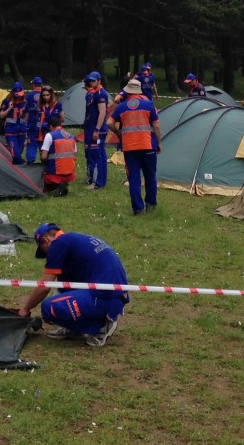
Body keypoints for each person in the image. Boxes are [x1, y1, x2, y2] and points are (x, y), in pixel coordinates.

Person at [16, 223, 128, 346]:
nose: (48, 256)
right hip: (116, 295)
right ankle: (73, 329)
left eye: (45, 252)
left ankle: (101, 327)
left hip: (105, 297)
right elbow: (64, 285)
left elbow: (44, 286)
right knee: (60, 296)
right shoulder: (73, 240)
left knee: (49, 308)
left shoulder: (58, 244)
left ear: (45, 240)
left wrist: (25, 309)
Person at [108, 77, 161, 215]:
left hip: (129, 147)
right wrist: (159, 143)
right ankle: (151, 205)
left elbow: (109, 123)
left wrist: (119, 133)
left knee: (134, 179)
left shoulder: (121, 106)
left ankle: (138, 209)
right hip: (148, 146)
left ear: (127, 91)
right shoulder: (149, 105)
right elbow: (156, 126)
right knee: (150, 177)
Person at [82, 71, 110, 188]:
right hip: (91, 127)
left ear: (99, 81)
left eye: (94, 80)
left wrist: (97, 130)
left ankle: (97, 182)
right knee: (99, 154)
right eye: (90, 80)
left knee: (96, 154)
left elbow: (102, 112)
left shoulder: (100, 94)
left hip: (96, 129)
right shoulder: (94, 93)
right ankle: (95, 179)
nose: (91, 82)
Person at [39, 113, 77, 196]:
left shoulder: (50, 135)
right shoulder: (71, 137)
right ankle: (62, 185)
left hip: (54, 175)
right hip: (70, 174)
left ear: (51, 127)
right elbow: (75, 155)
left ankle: (56, 187)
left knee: (42, 178)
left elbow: (43, 156)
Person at [0, 81, 28, 164]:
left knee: (18, 154)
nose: (19, 96)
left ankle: (15, 171)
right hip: (11, 132)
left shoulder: (25, 101)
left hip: (21, 131)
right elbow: (1, 115)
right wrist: (9, 108)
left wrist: (25, 125)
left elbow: (26, 114)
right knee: (16, 155)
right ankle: (21, 167)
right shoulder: (7, 101)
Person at [23, 77, 45, 164]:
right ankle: (44, 164)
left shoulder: (28, 96)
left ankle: (30, 164)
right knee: (44, 144)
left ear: (33, 85)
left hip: (31, 124)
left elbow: (25, 110)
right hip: (44, 124)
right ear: (42, 85)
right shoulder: (47, 95)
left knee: (31, 144)